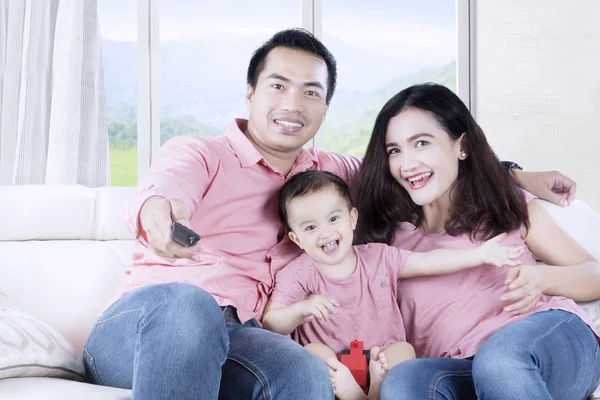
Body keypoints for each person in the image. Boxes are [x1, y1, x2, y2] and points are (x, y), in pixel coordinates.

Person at [83, 28, 580, 399]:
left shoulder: (331, 172)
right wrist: (159, 210)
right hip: (148, 326)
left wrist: (518, 174)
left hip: (243, 336)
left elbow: (425, 164)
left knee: (304, 372)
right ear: (251, 93)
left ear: (325, 108)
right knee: (190, 305)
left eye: (311, 92)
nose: (293, 103)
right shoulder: (201, 152)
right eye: (278, 86)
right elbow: (166, 186)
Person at [353, 82, 600, 400]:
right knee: (403, 382)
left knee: (499, 361)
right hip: (460, 370)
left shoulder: (503, 204)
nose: (407, 164)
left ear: (462, 146)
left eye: (422, 143)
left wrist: (542, 278)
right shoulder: (386, 241)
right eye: (394, 150)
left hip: (548, 343)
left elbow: (594, 275)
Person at [262, 170, 524, 400]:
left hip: (381, 358)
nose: (325, 232)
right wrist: (301, 309)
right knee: (312, 353)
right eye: (310, 227)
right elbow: (271, 322)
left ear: (352, 219)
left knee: (404, 350)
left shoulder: (378, 256)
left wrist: (477, 256)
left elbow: (428, 261)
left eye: (333, 219)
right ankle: (354, 393)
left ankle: (376, 390)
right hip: (336, 367)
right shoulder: (298, 273)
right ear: (296, 238)